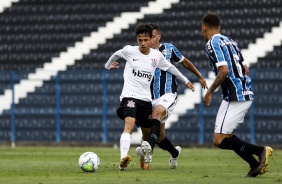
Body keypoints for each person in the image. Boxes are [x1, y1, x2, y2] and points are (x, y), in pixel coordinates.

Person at [104, 23, 195, 171]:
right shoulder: (129, 51)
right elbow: (115, 54)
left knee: (153, 136)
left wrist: (186, 80)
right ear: (137, 40)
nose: (143, 43)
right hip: (129, 97)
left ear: (151, 39)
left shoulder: (156, 56)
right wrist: (108, 66)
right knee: (129, 124)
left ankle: (170, 153)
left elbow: (171, 68)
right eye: (140, 40)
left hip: (146, 101)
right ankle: (123, 159)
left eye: (146, 40)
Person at [201, 13, 273, 177]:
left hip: (235, 96)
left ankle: (260, 150)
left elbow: (224, 71)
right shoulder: (231, 42)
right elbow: (245, 69)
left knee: (219, 140)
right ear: (219, 27)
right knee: (226, 136)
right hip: (242, 92)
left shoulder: (212, 43)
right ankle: (255, 165)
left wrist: (210, 91)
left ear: (203, 27)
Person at [135, 23, 208, 170]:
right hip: (148, 97)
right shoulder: (140, 53)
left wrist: (199, 76)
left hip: (168, 94)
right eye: (149, 37)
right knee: (157, 136)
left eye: (153, 37)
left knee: (156, 115)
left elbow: (185, 62)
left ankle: (148, 152)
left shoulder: (168, 49)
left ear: (158, 37)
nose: (150, 40)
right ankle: (175, 153)